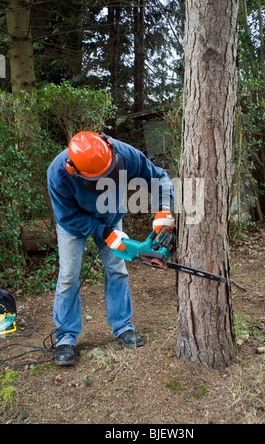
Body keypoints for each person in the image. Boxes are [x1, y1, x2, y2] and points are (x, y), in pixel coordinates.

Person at [47, 131, 174, 366]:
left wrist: (164, 208)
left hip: (112, 217)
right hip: (74, 226)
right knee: (68, 276)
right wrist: (103, 233)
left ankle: (122, 326)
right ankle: (66, 337)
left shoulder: (124, 154)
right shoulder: (58, 173)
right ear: (75, 170)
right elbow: (67, 217)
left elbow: (158, 177)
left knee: (117, 269)